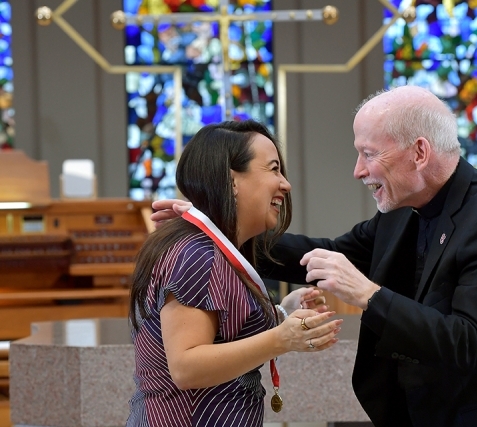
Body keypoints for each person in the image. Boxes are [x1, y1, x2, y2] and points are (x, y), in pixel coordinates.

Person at [151, 86, 477, 427]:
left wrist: (368, 295)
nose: (358, 171)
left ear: (420, 152)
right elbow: (327, 253)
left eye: (369, 154)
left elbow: (467, 342)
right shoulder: (401, 209)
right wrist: (221, 227)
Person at [127, 120, 342, 427]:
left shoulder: (215, 249)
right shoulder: (197, 254)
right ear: (231, 181)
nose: (285, 184)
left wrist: (282, 313)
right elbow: (186, 366)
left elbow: (222, 332)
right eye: (273, 169)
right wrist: (282, 339)